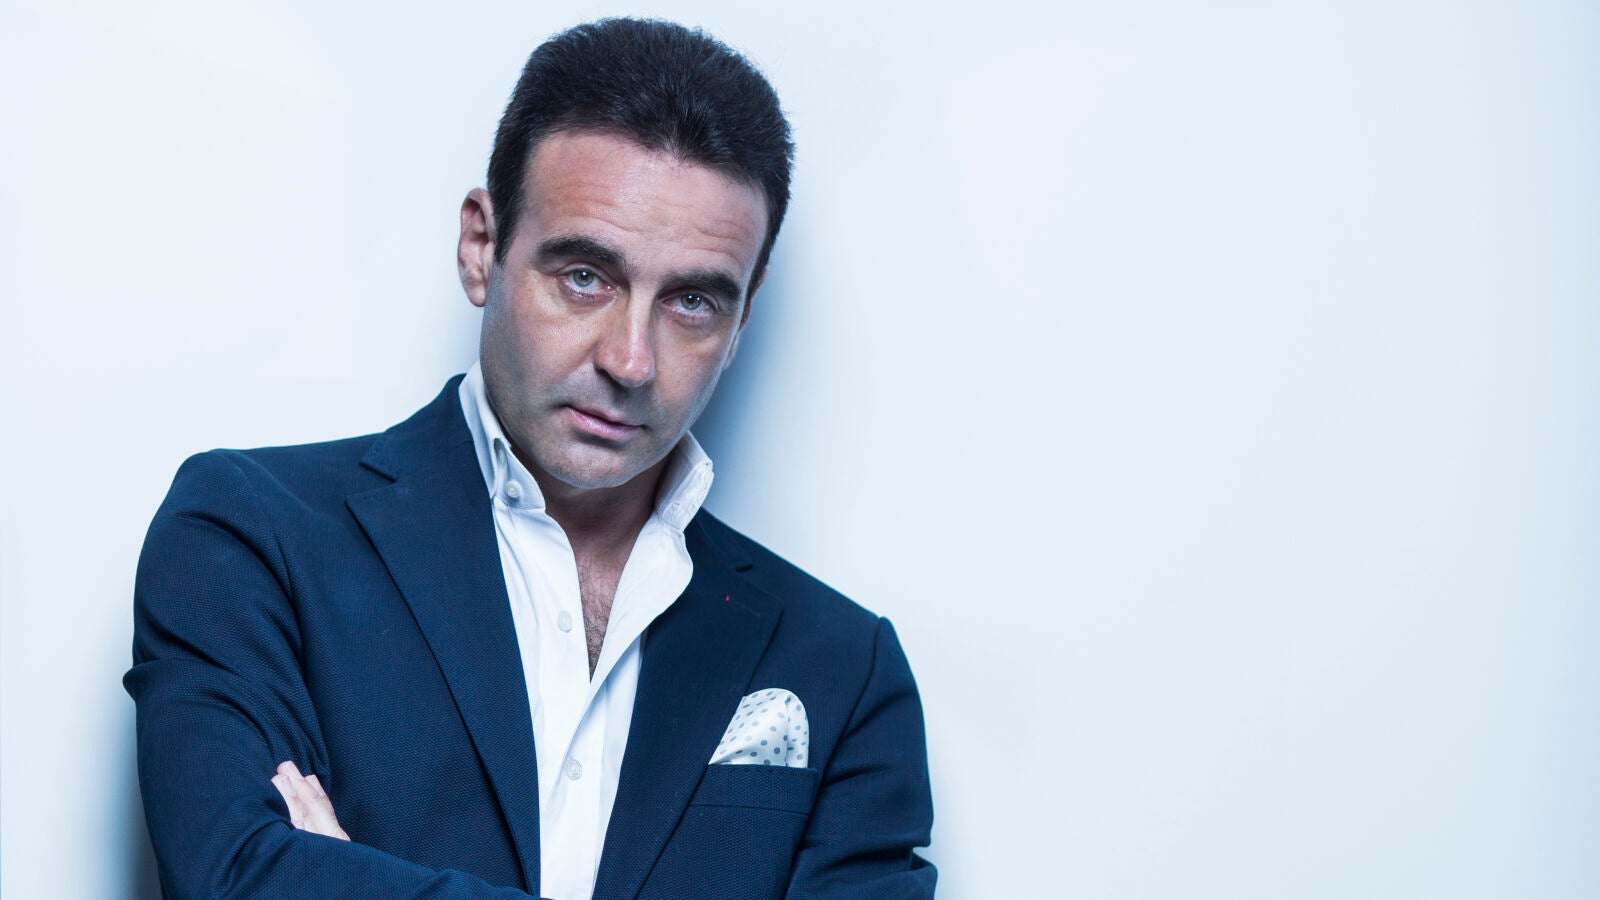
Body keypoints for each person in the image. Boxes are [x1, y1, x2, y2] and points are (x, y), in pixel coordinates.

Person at [124, 17, 935, 900]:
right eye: (585, 276)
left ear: (742, 317)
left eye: (693, 302)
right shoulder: (253, 537)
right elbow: (237, 878)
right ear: (482, 247)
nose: (631, 361)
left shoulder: (842, 666)